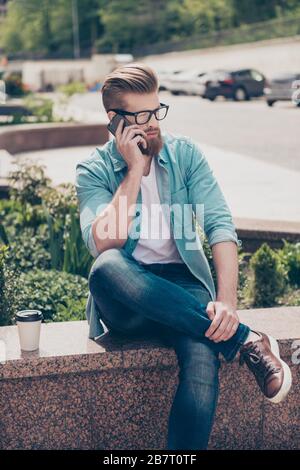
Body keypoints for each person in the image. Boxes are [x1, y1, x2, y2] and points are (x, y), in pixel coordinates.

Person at [75, 63, 292, 450]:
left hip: (183, 287)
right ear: (114, 121)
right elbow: (101, 243)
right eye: (141, 116)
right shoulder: (93, 169)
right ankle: (247, 342)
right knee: (107, 266)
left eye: (156, 111)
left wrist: (226, 303)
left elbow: (220, 226)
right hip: (128, 297)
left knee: (202, 356)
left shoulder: (185, 155)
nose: (153, 123)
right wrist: (134, 170)